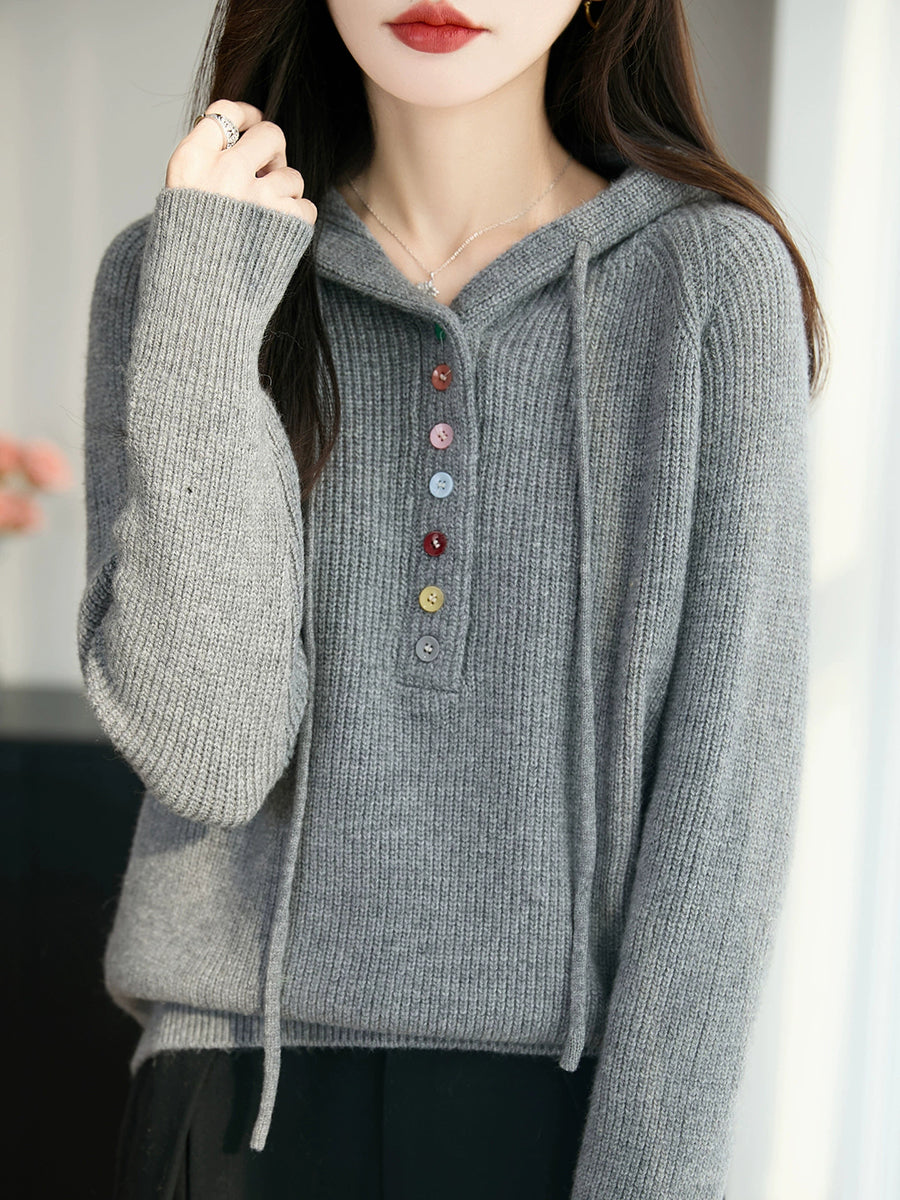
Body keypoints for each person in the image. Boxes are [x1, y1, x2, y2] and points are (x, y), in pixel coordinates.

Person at [77, 0, 829, 1196]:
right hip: (230, 1101)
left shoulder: (707, 281)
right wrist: (207, 303)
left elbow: (725, 807)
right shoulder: (180, 270)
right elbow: (209, 754)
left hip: (558, 1110)